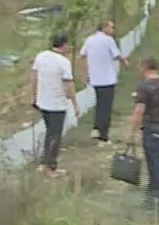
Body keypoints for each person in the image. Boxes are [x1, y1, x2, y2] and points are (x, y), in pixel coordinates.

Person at [128, 57, 159, 210]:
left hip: (152, 129)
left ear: (144, 67)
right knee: (157, 164)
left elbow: (139, 110)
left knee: (155, 167)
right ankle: (150, 197)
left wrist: (132, 132)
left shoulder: (144, 87)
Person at [29, 33, 78, 176]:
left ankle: (44, 163)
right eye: (68, 45)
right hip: (56, 104)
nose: (69, 47)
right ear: (63, 45)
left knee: (50, 133)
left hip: (42, 102)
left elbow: (34, 78)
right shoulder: (64, 62)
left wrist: (34, 97)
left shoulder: (41, 56)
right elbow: (69, 85)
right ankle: (50, 167)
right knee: (55, 135)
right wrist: (75, 104)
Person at [80, 20, 128, 144]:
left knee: (100, 104)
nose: (113, 30)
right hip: (107, 79)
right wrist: (124, 61)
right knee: (106, 107)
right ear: (104, 28)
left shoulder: (89, 39)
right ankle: (103, 136)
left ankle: (96, 128)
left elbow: (83, 55)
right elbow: (117, 55)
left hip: (95, 79)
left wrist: (86, 73)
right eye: (112, 27)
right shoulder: (108, 40)